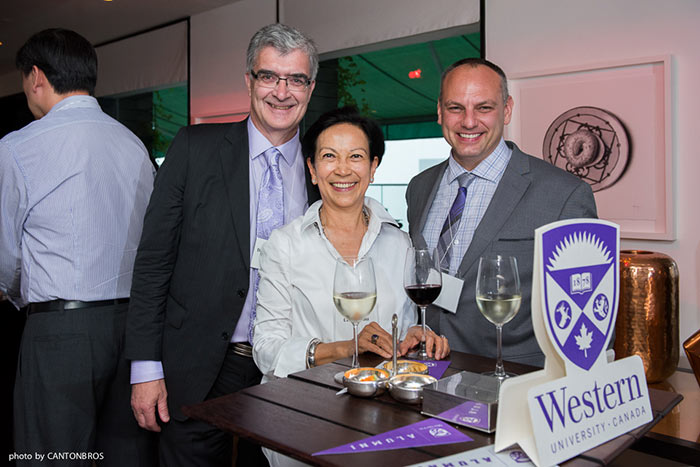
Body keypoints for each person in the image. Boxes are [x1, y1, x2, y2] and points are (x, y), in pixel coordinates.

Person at [125, 23, 321, 466]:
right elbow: (153, 262)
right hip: (200, 366)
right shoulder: (195, 149)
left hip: (289, 369)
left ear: (311, 88)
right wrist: (145, 368)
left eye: (296, 79)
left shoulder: (321, 168)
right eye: (269, 76)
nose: (281, 91)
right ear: (248, 81)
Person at [253, 107, 449, 466]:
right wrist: (344, 347)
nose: (343, 170)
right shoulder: (284, 245)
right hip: (303, 416)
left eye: (356, 157)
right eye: (329, 156)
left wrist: (417, 336)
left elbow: (401, 331)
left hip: (384, 421)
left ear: (373, 168)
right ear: (312, 169)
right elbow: (266, 349)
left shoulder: (400, 243)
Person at [0, 29, 156, 465]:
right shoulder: (133, 144)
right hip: (132, 330)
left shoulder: (17, 147)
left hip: (60, 330)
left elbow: (5, 256)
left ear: (35, 77)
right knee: (124, 456)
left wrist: (17, 293)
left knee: (53, 456)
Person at [405, 58, 597, 368]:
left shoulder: (564, 195)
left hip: (515, 382)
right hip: (428, 373)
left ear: (506, 109)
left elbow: (589, 316)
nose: (469, 122)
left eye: (483, 108)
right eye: (456, 108)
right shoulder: (419, 187)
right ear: (440, 111)